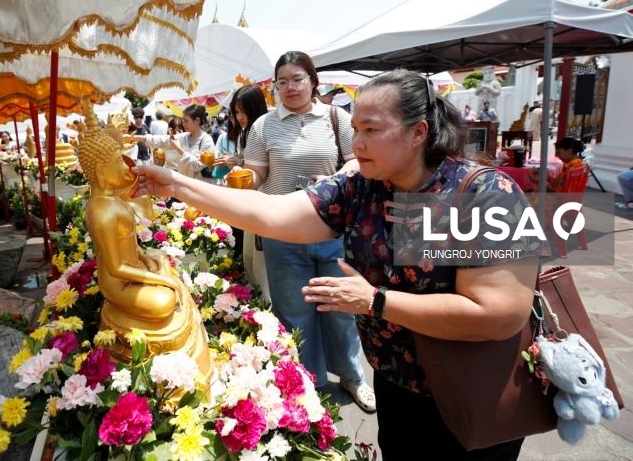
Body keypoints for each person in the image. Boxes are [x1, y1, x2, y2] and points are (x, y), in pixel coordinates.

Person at [131, 68, 540, 460]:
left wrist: (375, 302)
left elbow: (498, 314)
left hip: (475, 388)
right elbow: (272, 214)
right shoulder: (363, 186)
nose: (356, 143)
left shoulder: (484, 194)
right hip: (398, 383)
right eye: (356, 129)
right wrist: (177, 184)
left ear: (419, 133)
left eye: (372, 130)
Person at [239, 51, 374, 412]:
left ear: (313, 81)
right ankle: (308, 381)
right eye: (281, 81)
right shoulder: (264, 126)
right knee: (294, 311)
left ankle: (352, 374)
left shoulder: (337, 117)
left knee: (340, 308)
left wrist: (336, 180)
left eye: (297, 79)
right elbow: (258, 173)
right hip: (282, 231)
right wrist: (243, 180)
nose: (290, 87)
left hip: (332, 230)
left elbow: (357, 159)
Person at [76, 103, 211, 379]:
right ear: (101, 172)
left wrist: (146, 257)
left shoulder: (113, 200)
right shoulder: (100, 210)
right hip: (118, 283)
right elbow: (115, 268)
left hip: (132, 267)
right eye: (117, 161)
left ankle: (161, 277)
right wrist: (162, 280)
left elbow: (130, 246)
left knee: (160, 258)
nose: (126, 165)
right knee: (164, 300)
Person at [213, 84, 269, 262]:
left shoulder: (265, 129)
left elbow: (265, 168)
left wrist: (239, 163)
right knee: (249, 254)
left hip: (264, 201)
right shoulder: (246, 132)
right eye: (236, 112)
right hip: (249, 200)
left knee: (258, 257)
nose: (239, 117)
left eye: (243, 111)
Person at [136, 105, 214, 180]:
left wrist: (179, 149)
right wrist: (141, 138)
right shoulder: (183, 137)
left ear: (197, 120)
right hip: (181, 182)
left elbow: (197, 166)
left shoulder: (207, 141)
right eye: (183, 121)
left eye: (186, 121)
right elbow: (163, 140)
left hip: (196, 186)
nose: (184, 124)